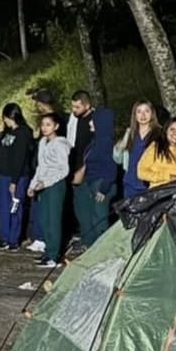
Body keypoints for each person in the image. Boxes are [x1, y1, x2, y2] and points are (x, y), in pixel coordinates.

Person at [68, 90, 116, 249]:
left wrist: (103, 188)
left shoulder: (104, 143)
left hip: (100, 183)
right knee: (90, 214)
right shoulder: (96, 141)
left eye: (93, 122)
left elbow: (110, 166)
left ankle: (102, 249)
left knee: (99, 218)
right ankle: (91, 244)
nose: (89, 124)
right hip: (92, 181)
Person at [27, 113, 70, 268]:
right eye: (43, 124)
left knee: (53, 220)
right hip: (42, 185)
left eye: (48, 124)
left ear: (56, 126)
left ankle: (54, 255)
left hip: (55, 185)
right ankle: (48, 252)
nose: (45, 128)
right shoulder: (43, 142)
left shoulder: (60, 144)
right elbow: (40, 166)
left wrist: (46, 183)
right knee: (44, 220)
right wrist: (33, 185)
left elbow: (63, 169)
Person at [0, 103, 33, 250]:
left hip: (17, 176)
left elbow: (20, 158)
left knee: (15, 208)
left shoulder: (23, 133)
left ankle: (13, 239)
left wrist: (14, 181)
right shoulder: (7, 133)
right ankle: (4, 236)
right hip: (2, 175)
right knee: (2, 207)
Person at [114, 99, 158, 199]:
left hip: (149, 185)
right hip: (130, 184)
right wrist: (123, 141)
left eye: (146, 111)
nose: (143, 115)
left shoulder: (159, 134)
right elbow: (117, 159)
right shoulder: (130, 134)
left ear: (152, 114)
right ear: (135, 115)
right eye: (139, 111)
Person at [137, 118, 176, 188]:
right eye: (172, 129)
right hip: (160, 192)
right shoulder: (156, 147)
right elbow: (141, 172)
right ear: (166, 130)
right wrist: (169, 177)